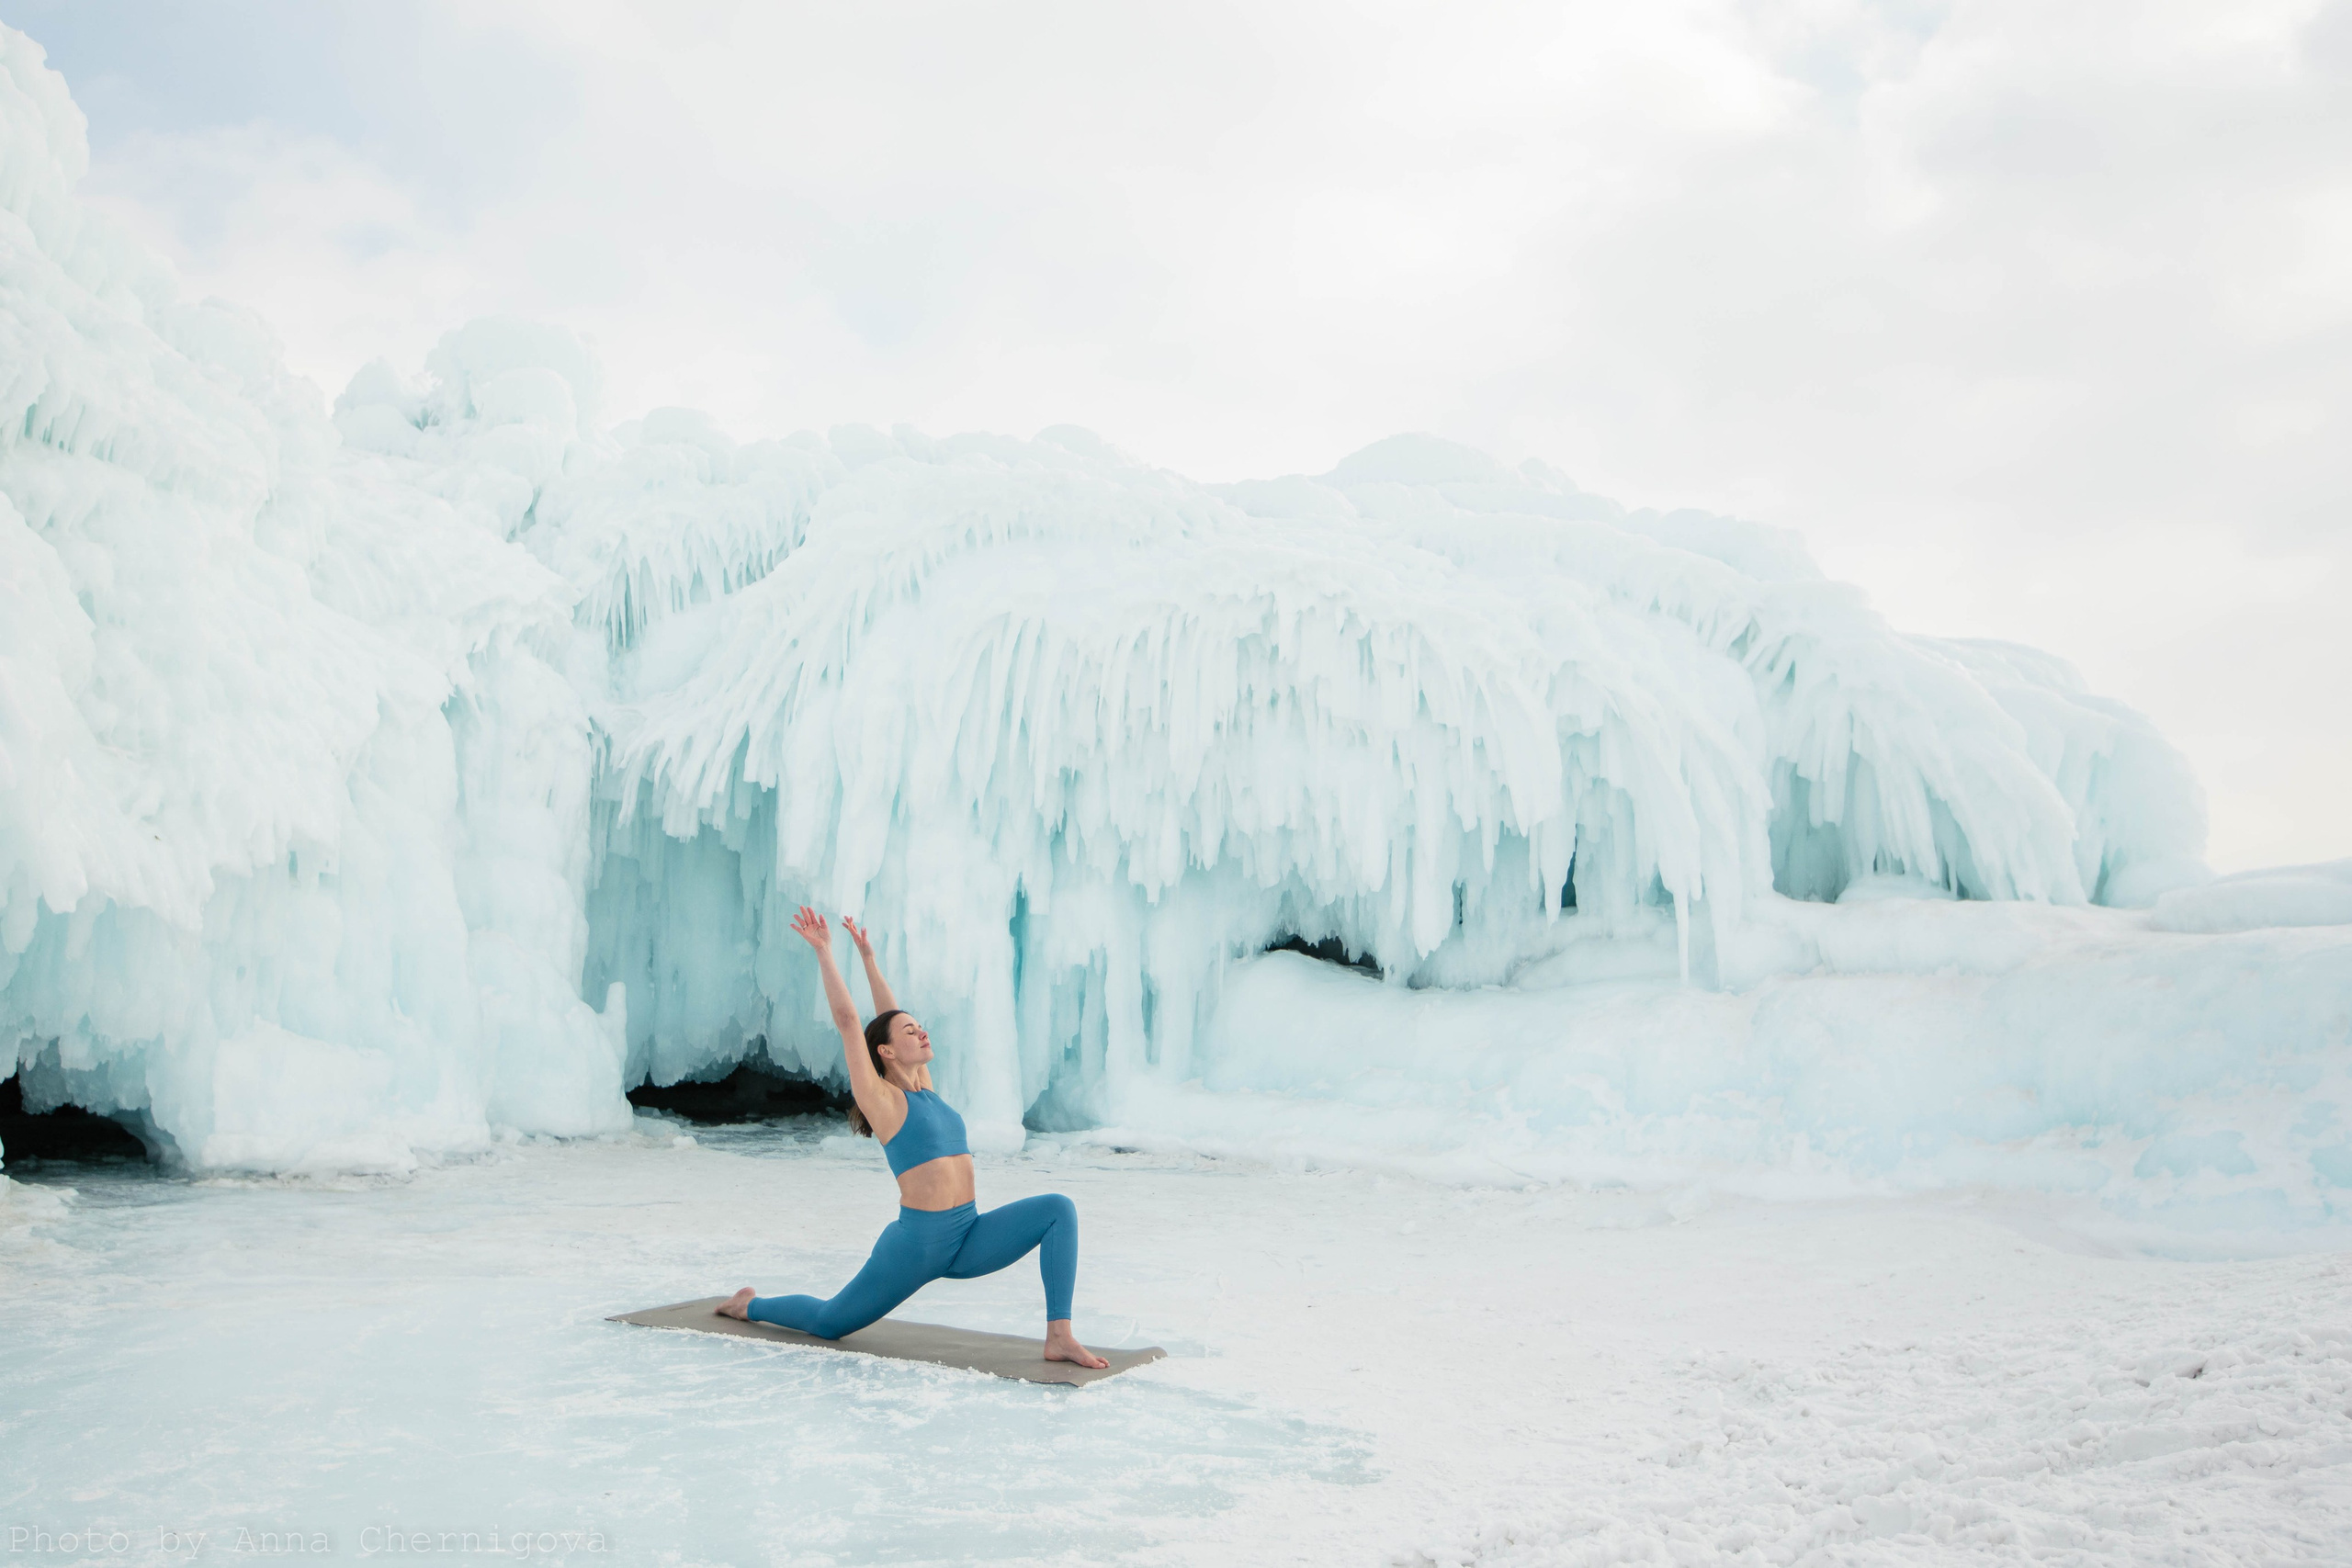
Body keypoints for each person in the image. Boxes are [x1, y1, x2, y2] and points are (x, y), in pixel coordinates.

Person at [716, 907, 1109, 1369]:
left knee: (1057, 1210)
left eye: (919, 1026)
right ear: (885, 1051)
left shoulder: (928, 1091)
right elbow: (850, 1024)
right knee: (828, 1322)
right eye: (910, 1031)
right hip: (917, 1247)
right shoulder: (882, 1100)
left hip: (969, 1234)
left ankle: (1059, 1336)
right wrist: (825, 952)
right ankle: (749, 1305)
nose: (921, 1031)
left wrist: (869, 961)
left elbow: (889, 1014)